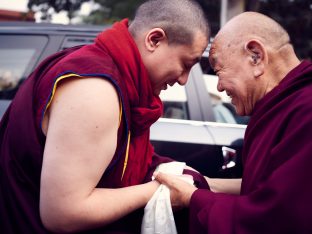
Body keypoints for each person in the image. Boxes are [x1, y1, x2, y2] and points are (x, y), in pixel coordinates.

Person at [0, 0, 210, 233]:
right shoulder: (95, 89)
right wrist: (154, 190)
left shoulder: (120, 79)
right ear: (154, 40)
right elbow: (63, 214)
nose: (183, 79)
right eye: (185, 64)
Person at [155, 11, 312, 233]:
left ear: (255, 56)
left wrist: (194, 198)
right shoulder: (280, 105)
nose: (218, 87)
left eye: (219, 71)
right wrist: (203, 183)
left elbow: (279, 218)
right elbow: (263, 188)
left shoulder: (306, 111)